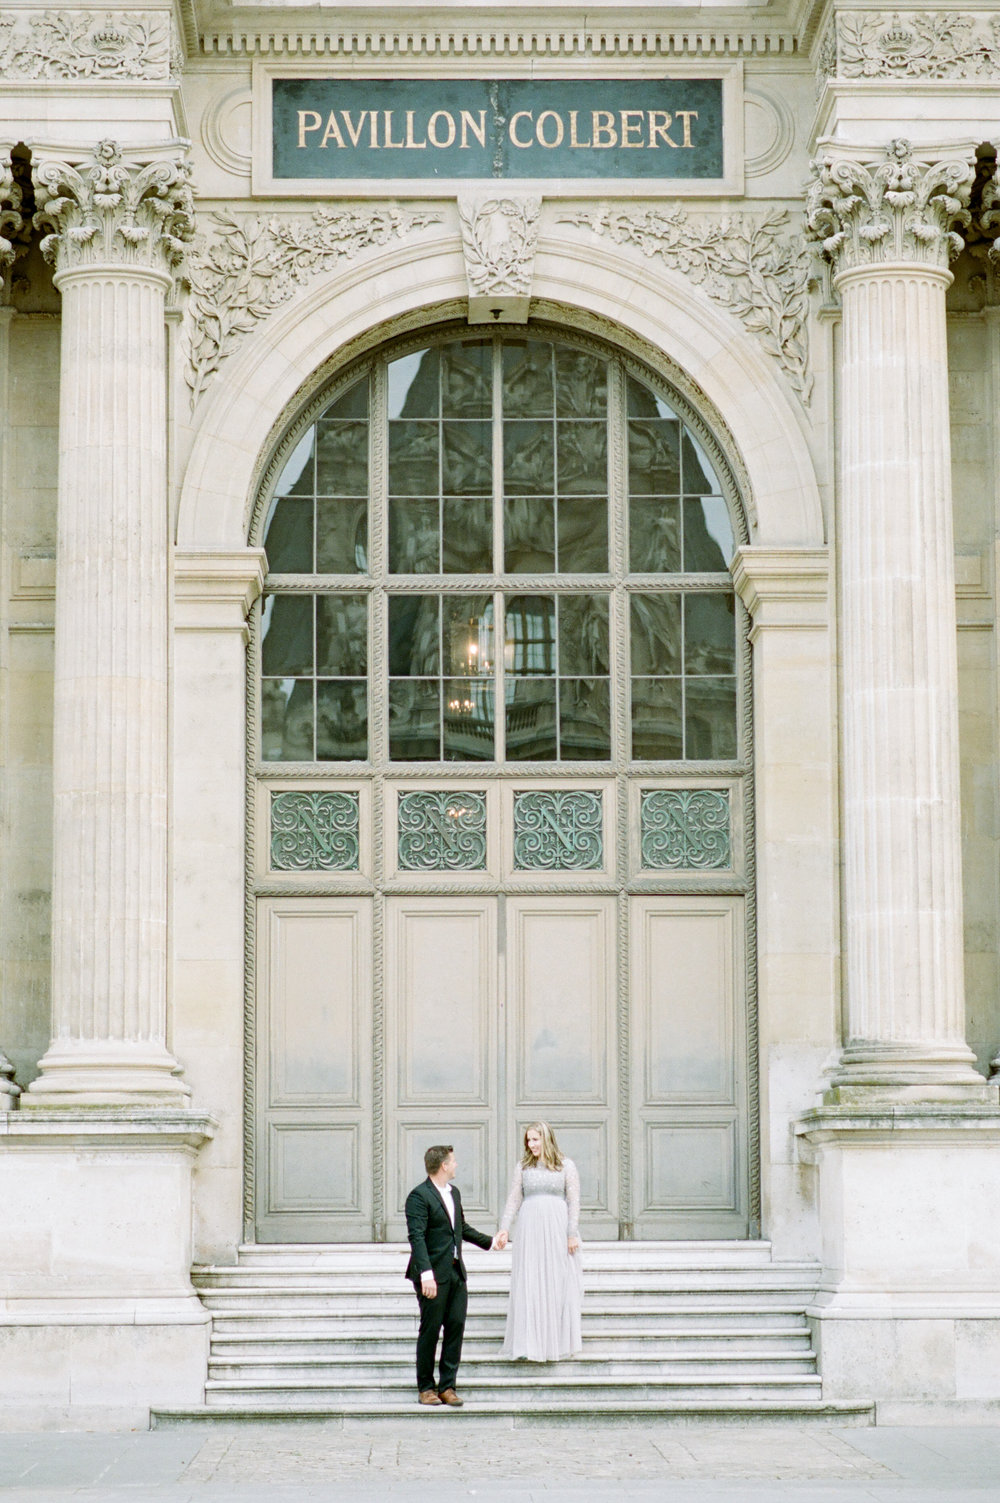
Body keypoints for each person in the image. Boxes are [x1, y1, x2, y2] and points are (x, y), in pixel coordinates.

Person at [404, 1143, 494, 1407]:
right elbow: (416, 1238)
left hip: (456, 1273)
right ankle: (426, 1388)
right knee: (430, 1330)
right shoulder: (418, 1196)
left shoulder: (453, 1193)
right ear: (443, 1165)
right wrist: (426, 1275)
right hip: (432, 1275)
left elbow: (460, 1227)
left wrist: (490, 1242)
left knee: (455, 1327)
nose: (456, 1165)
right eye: (453, 1161)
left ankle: (447, 1386)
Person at [494, 1121, 583, 1361]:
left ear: (547, 1139)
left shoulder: (566, 1166)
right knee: (531, 1280)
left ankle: (554, 1341)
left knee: (556, 1280)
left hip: (557, 1226)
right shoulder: (523, 1167)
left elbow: (574, 1201)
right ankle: (531, 1342)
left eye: (535, 1139)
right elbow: (514, 1199)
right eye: (528, 1140)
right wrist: (504, 1228)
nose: (531, 1144)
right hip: (530, 1228)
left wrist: (572, 1233)